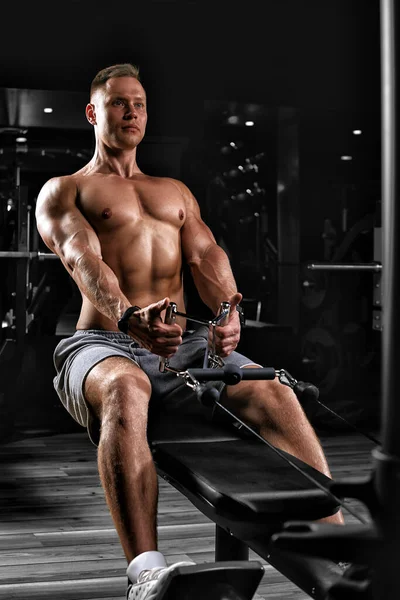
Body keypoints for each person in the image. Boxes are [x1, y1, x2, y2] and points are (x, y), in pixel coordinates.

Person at [35, 63, 344, 600]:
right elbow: (82, 260)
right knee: (125, 388)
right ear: (92, 113)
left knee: (275, 389)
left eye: (140, 103)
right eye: (118, 103)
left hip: (188, 345)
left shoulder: (173, 191)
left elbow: (205, 255)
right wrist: (129, 316)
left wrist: (228, 310)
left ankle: (337, 540)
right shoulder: (65, 190)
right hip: (103, 345)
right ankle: (146, 572)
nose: (132, 111)